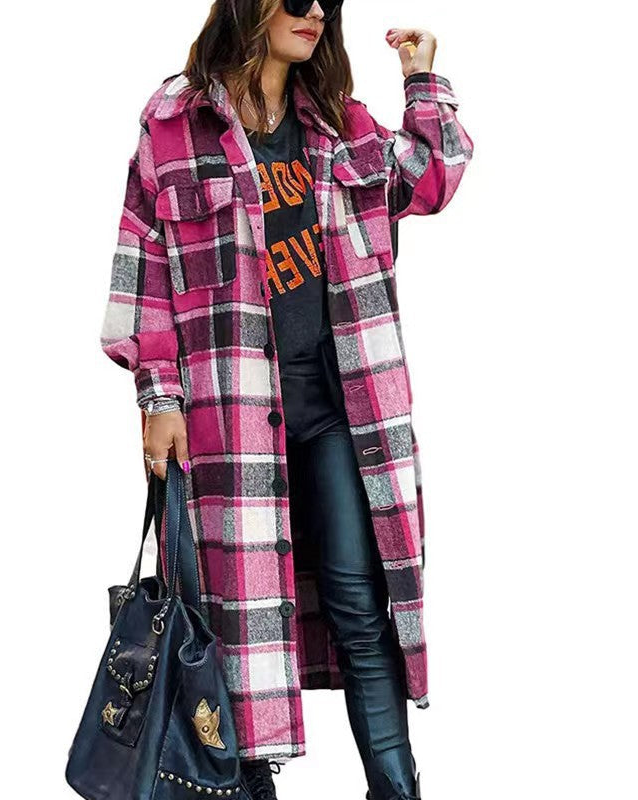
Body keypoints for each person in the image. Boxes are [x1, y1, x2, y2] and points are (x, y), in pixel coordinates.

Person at [99, 2, 474, 798]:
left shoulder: (340, 123)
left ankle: (396, 790)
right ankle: (243, 789)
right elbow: (145, 266)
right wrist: (158, 396)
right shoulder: (174, 124)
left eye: (326, 1)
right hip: (230, 415)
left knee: (360, 605)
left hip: (339, 408)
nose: (314, 11)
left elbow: (431, 177)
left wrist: (421, 78)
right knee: (234, 623)